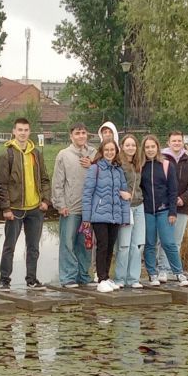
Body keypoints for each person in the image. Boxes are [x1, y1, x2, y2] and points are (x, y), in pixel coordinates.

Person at [0, 117, 51, 290]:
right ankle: (5, 280)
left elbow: (44, 179)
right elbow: (2, 184)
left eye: (26, 130)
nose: (23, 133)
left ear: (30, 131)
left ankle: (31, 279)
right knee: (9, 246)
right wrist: (6, 207)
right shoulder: (7, 154)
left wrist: (45, 200)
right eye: (20, 130)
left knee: (33, 247)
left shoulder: (36, 154)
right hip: (15, 209)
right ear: (14, 131)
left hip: (35, 208)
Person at [82, 136, 131, 293]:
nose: (109, 152)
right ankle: (101, 278)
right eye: (106, 150)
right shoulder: (95, 169)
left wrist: (124, 217)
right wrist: (86, 217)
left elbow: (123, 194)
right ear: (102, 152)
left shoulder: (118, 170)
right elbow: (87, 194)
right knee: (102, 245)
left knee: (110, 247)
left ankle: (106, 276)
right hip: (99, 215)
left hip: (115, 215)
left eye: (112, 150)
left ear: (116, 151)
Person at [140, 134, 188, 287]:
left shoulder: (166, 165)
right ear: (143, 149)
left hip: (164, 210)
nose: (150, 150)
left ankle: (178, 272)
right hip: (147, 211)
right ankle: (152, 273)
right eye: (147, 147)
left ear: (158, 147)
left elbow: (173, 190)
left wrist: (173, 212)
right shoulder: (140, 166)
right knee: (150, 244)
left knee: (169, 242)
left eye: (153, 146)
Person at [51, 122, 94, 288]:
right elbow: (58, 182)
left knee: (86, 243)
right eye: (77, 133)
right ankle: (68, 276)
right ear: (71, 136)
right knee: (68, 243)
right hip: (70, 207)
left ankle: (84, 275)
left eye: (83, 133)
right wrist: (60, 204)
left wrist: (93, 164)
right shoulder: (64, 155)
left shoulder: (94, 153)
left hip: (89, 209)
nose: (81, 136)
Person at [155, 130, 188, 283]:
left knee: (176, 241)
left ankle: (173, 269)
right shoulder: (161, 159)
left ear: (183, 142)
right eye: (174, 141)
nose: (177, 143)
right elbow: (159, 183)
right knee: (164, 240)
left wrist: (183, 198)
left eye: (179, 140)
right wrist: (170, 200)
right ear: (168, 142)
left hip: (182, 206)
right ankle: (162, 269)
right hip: (165, 206)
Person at [113, 133, 145, 288]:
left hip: (139, 206)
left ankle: (133, 279)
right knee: (124, 245)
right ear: (122, 147)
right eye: (128, 145)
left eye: (133, 145)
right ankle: (120, 278)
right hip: (125, 207)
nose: (131, 148)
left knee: (137, 245)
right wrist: (120, 192)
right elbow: (111, 184)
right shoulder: (118, 164)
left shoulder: (138, 164)